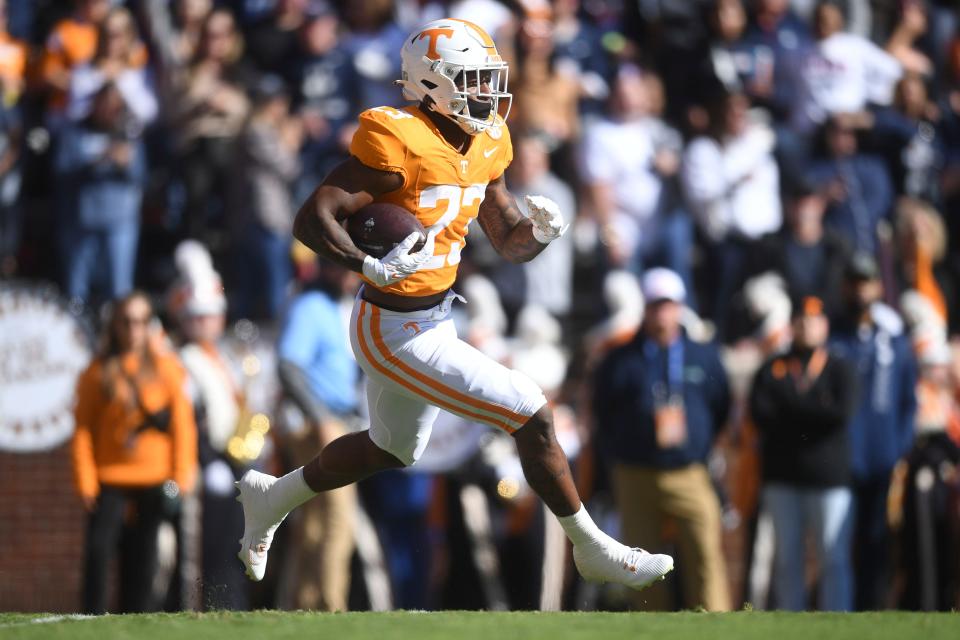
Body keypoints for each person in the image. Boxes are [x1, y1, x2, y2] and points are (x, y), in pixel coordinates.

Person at [235, 17, 674, 593]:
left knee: (391, 448)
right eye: (470, 79)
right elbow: (311, 217)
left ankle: (273, 496)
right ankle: (591, 547)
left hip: (435, 315)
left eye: (489, 79)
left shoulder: (487, 138)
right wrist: (365, 265)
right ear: (430, 83)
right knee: (530, 411)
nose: (486, 92)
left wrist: (540, 232)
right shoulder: (399, 138)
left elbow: (509, 239)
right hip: (393, 328)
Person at [592, 268, 732, 611]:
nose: (661, 313)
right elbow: (602, 413)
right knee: (641, 566)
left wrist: (701, 445)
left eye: (667, 304)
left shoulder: (703, 354)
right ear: (645, 308)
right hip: (636, 473)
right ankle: (649, 629)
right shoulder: (620, 358)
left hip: (689, 471)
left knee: (705, 556)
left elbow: (722, 404)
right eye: (655, 305)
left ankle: (716, 630)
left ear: (679, 307)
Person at [71, 291, 197, 613]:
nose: (133, 330)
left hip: (155, 479)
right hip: (110, 478)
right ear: (115, 326)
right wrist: (85, 481)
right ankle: (93, 620)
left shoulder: (167, 368)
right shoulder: (97, 372)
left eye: (141, 322)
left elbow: (183, 426)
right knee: (99, 554)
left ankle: (139, 621)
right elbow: (83, 429)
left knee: (144, 560)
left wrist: (180, 477)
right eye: (126, 322)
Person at [749, 296, 857, 611]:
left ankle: (839, 624)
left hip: (829, 479)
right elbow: (761, 415)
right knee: (786, 559)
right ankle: (790, 623)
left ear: (825, 325)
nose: (806, 326)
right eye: (800, 320)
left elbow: (840, 414)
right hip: (782, 478)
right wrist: (814, 409)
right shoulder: (774, 367)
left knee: (833, 557)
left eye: (813, 320)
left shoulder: (840, 367)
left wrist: (791, 408)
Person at [829, 252, 918, 610]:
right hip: (841, 461)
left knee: (877, 542)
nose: (859, 291)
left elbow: (907, 401)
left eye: (865, 282)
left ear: (878, 287)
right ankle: (839, 614)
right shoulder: (833, 339)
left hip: (881, 460)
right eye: (853, 283)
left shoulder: (893, 342)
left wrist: (899, 448)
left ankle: (874, 613)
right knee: (836, 545)